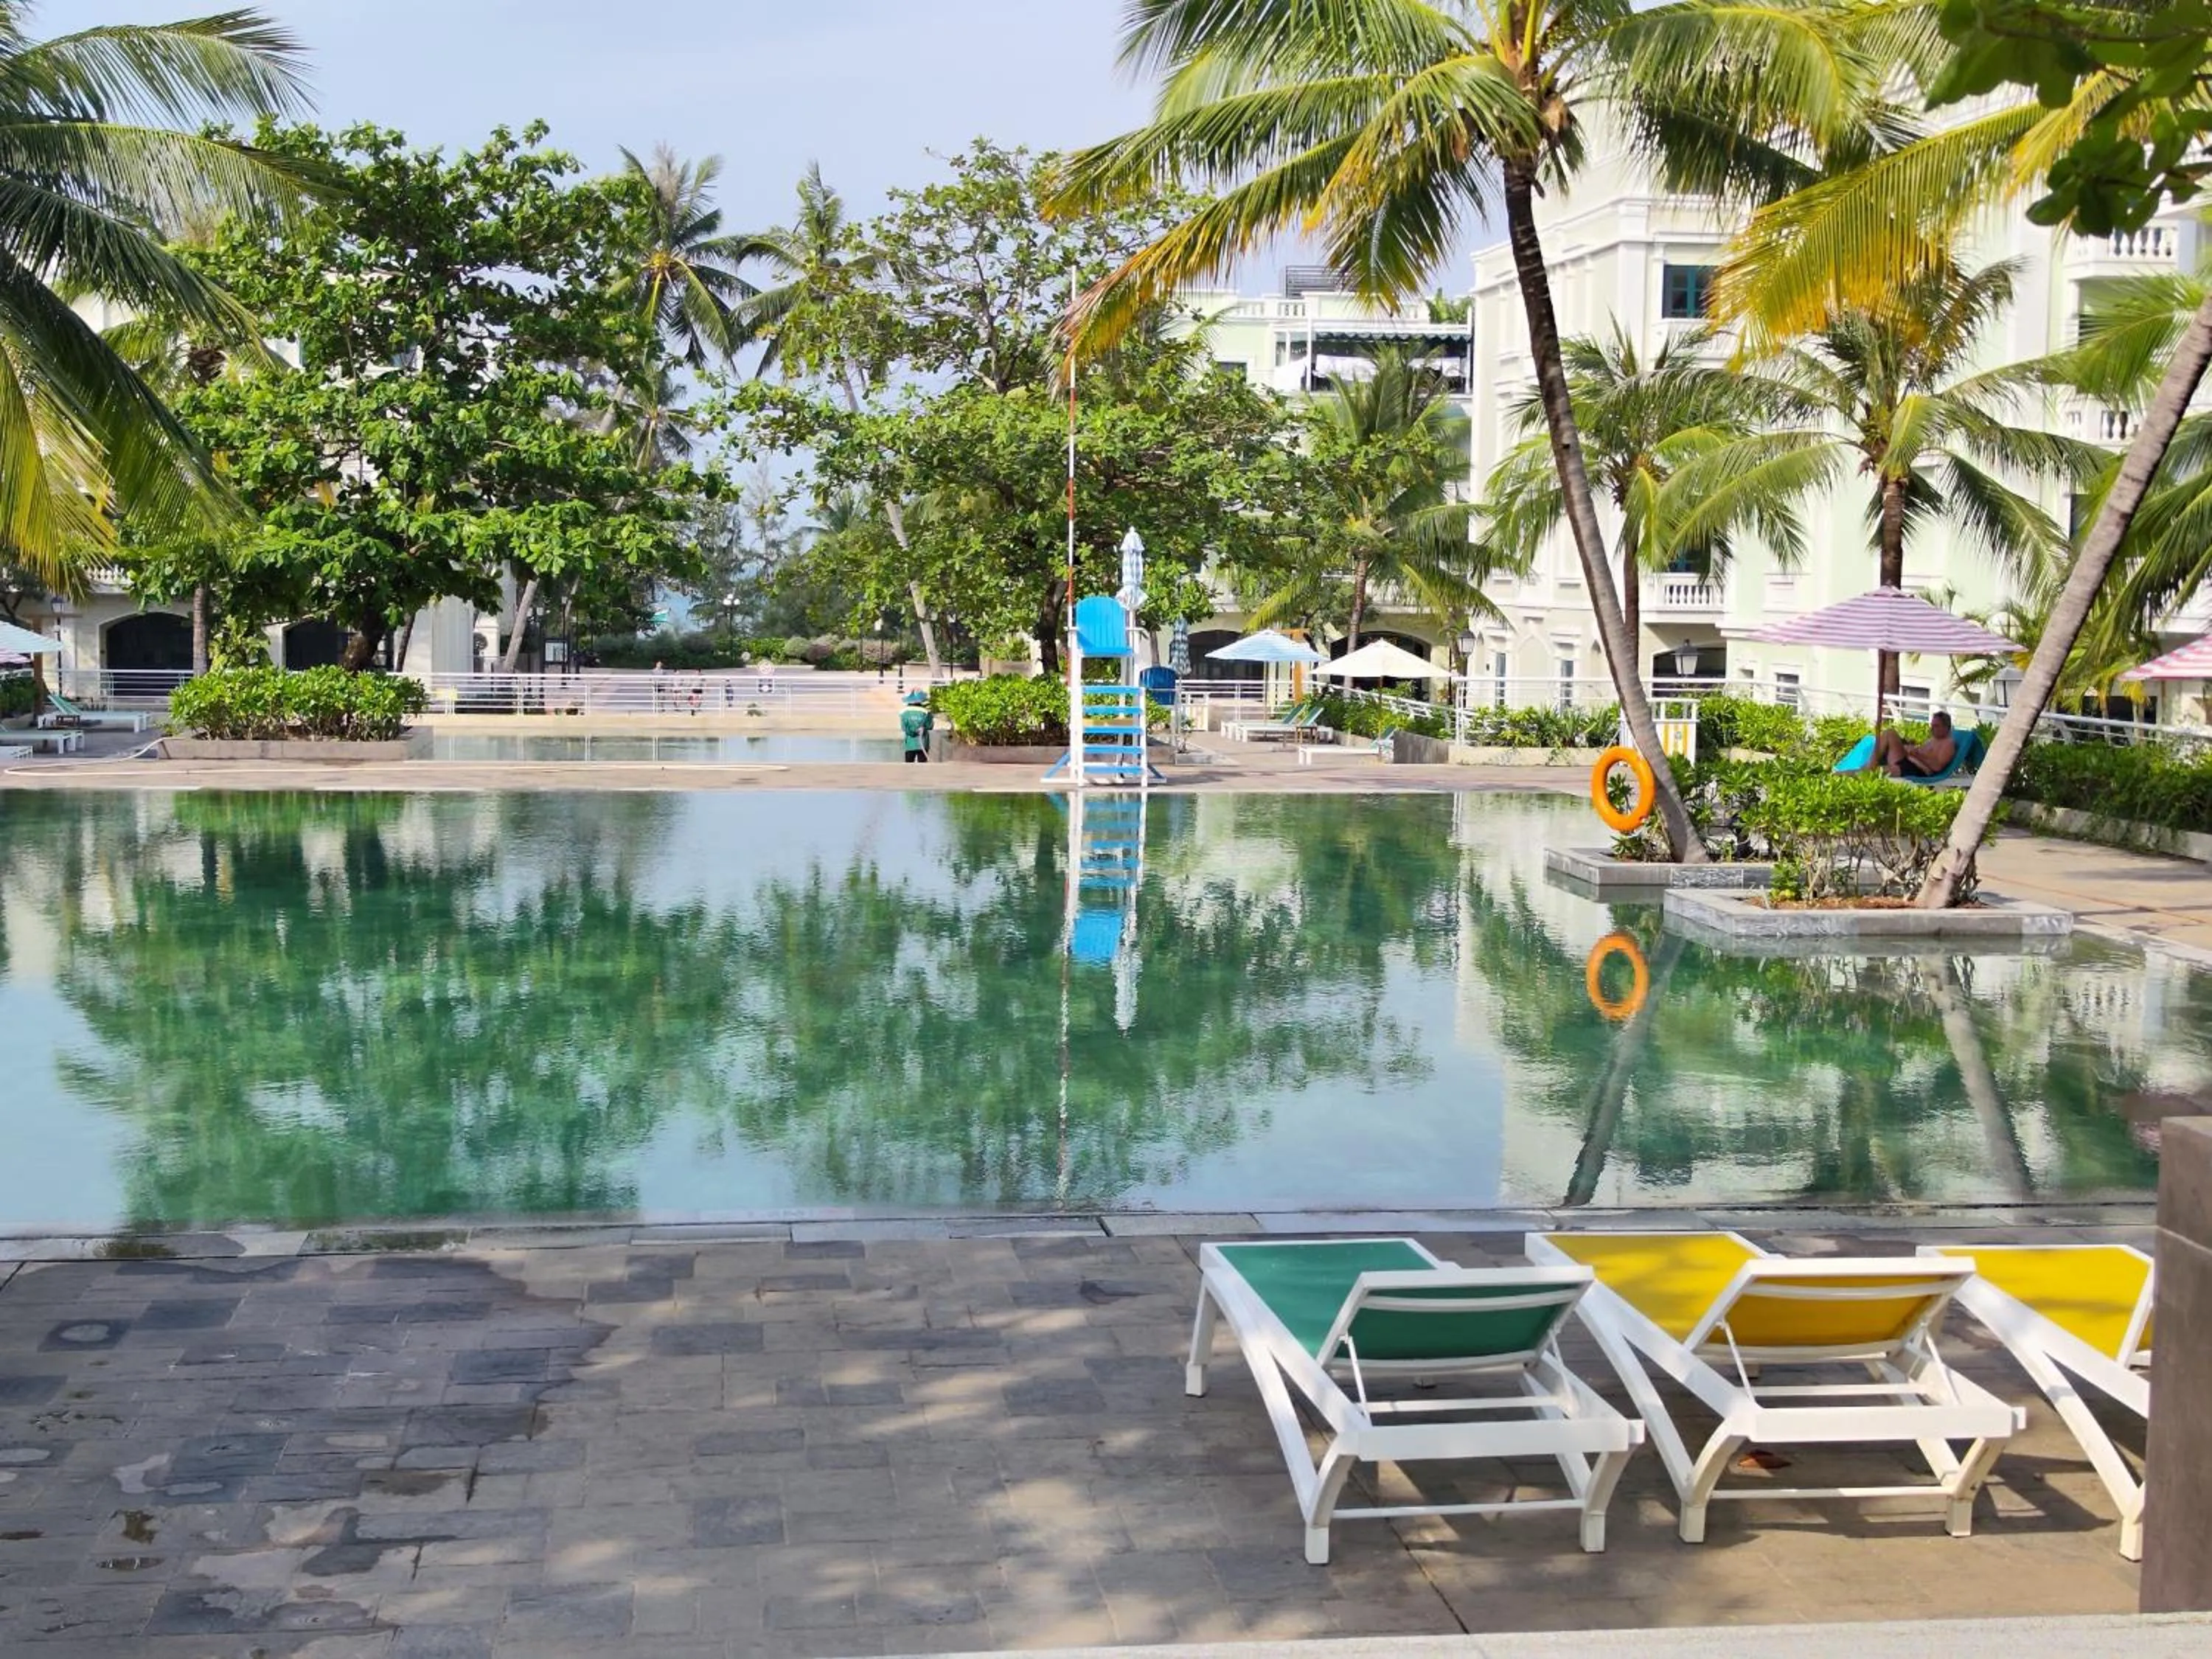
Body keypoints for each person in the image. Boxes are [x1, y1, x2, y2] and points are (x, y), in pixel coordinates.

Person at [1864, 710, 1957, 778]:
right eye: (1932, 725)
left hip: (1916, 770)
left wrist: (1916, 753)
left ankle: (1868, 769)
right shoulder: (1933, 739)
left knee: (1875, 772)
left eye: (1936, 726)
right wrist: (1912, 748)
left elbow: (1937, 767)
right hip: (1908, 761)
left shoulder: (1948, 744)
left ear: (1946, 727)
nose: (1932, 729)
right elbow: (1924, 753)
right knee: (1889, 733)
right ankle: (1869, 766)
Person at [900, 691, 933, 764]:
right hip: (923, 743)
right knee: (923, 767)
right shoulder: (926, 712)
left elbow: (904, 728)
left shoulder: (903, 713)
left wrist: (913, 731)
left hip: (910, 744)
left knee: (908, 766)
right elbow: (930, 726)